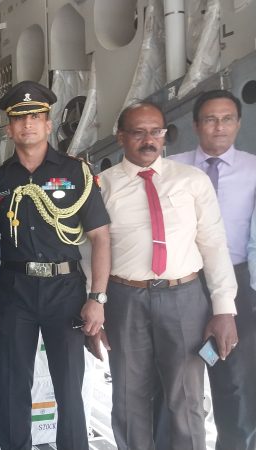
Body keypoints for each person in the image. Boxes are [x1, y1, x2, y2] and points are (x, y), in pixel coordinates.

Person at [88, 101, 238, 450]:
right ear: (120, 137)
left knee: (186, 398)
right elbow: (90, 251)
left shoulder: (192, 180)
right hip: (125, 298)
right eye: (138, 133)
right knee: (129, 397)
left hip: (184, 298)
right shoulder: (101, 186)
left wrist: (224, 309)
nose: (149, 140)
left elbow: (214, 245)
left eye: (156, 132)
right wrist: (96, 304)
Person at [0, 80, 111, 450]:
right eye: (19, 118)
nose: (27, 124)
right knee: (13, 387)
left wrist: (97, 298)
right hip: (14, 290)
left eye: (36, 116)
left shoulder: (76, 173)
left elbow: (100, 237)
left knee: (69, 388)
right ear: (9, 128)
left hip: (65, 291)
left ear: (48, 123)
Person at [168, 89, 256, 450]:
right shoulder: (172, 168)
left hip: (238, 282)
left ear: (238, 123)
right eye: (210, 119)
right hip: (182, 281)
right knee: (175, 373)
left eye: (227, 119)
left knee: (235, 378)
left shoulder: (254, 169)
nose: (219, 127)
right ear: (195, 125)